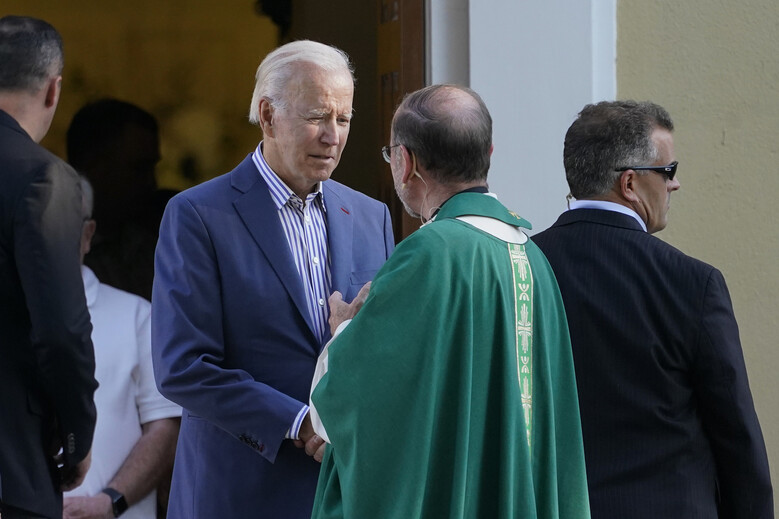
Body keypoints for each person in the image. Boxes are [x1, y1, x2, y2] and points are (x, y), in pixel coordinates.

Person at [308, 84, 590, 518]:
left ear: (406, 163)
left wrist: (345, 329)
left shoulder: (430, 253)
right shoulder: (533, 257)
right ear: (489, 152)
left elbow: (346, 405)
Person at [151, 40, 394, 518]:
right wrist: (300, 423)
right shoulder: (198, 215)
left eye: (343, 119)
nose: (333, 136)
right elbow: (183, 365)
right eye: (317, 117)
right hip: (236, 494)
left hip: (343, 494)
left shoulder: (372, 217)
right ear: (267, 116)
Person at [532, 100, 773, 518]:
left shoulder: (521, 270)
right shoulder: (694, 284)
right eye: (668, 171)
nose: (674, 184)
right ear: (629, 183)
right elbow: (736, 438)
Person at [0, 15, 98, 519]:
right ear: (54, 89)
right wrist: (77, 435)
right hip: (10, 467)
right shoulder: (41, 178)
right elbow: (60, 332)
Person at [63, 177, 182, 519]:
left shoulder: (137, 316)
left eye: (62, 222)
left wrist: (109, 501)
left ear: (88, 235)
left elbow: (166, 427)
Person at [67, 99, 167, 301]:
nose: (151, 182)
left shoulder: (157, 240)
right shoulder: (55, 251)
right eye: (138, 169)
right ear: (93, 165)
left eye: (152, 168)